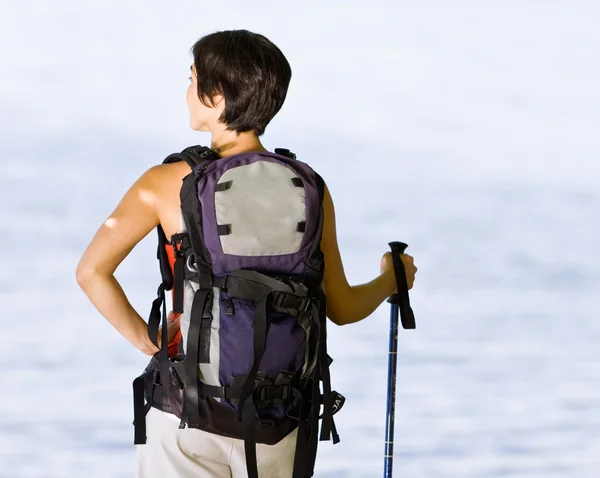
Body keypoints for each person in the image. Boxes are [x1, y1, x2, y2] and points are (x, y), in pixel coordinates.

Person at [76, 29, 417, 478]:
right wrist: (391, 280)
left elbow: (92, 272)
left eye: (192, 78)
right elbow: (342, 308)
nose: (186, 90)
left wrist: (151, 341)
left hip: (187, 415)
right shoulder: (309, 188)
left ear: (215, 97)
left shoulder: (165, 183)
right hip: (278, 425)